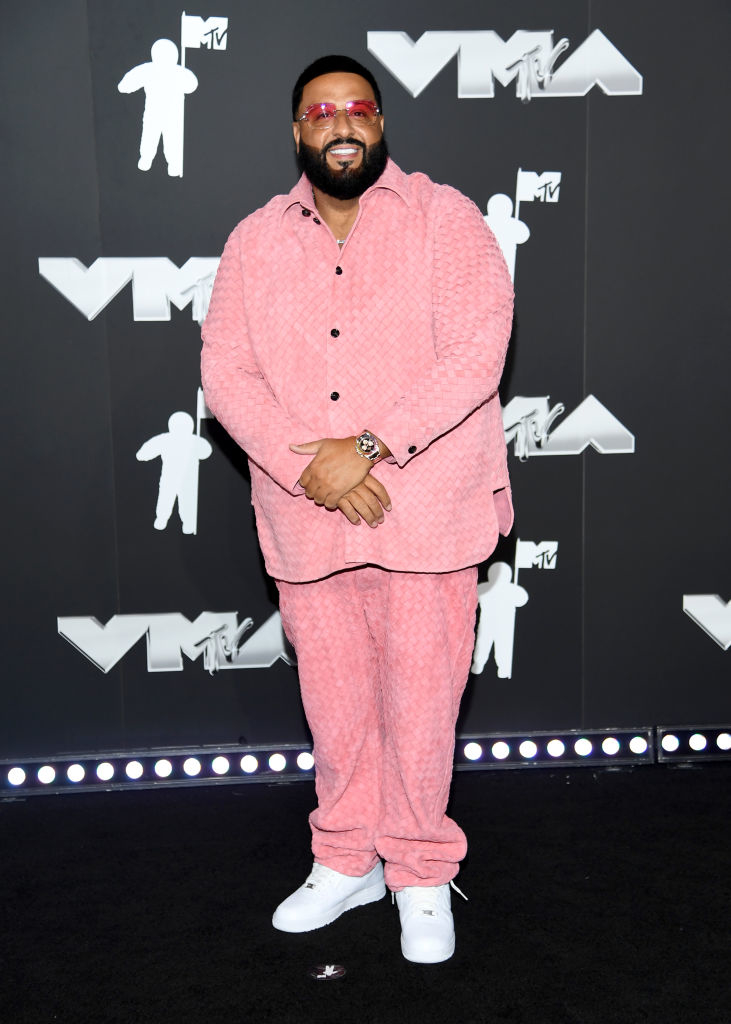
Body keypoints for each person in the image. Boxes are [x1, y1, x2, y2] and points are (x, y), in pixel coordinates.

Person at [200, 54, 514, 964]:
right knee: (335, 708)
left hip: (429, 510)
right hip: (308, 518)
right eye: (319, 111)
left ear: (379, 124)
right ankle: (346, 860)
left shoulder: (445, 220)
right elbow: (226, 372)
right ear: (298, 131)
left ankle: (419, 872)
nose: (340, 122)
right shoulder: (254, 240)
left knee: (421, 705)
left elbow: (473, 354)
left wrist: (366, 448)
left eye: (357, 108)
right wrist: (316, 472)